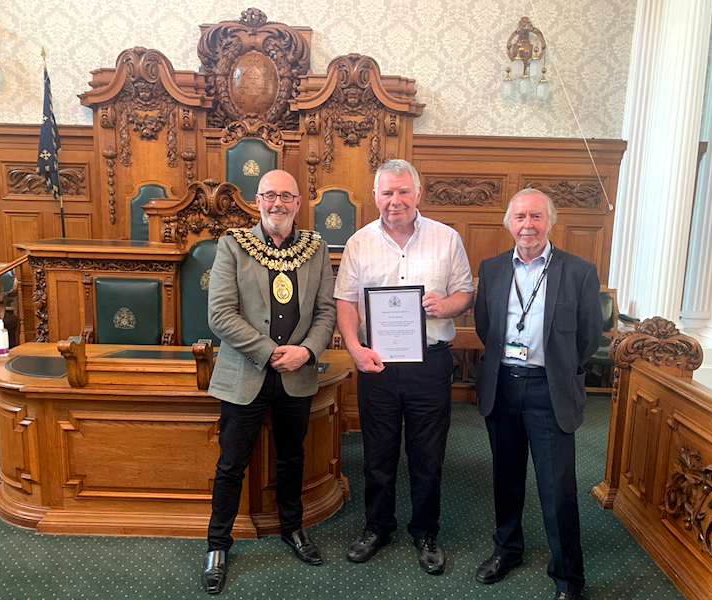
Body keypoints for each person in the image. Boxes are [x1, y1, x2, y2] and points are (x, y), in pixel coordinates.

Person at [334, 159, 474, 575]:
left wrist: (444, 304)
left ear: (418, 193)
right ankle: (377, 526)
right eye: (387, 193)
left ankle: (426, 530)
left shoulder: (447, 239)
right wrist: (355, 348)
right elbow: (345, 301)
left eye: (403, 192)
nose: (395, 201)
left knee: (428, 454)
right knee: (377, 453)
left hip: (429, 362)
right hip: (375, 364)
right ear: (375, 196)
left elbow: (465, 293)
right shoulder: (359, 242)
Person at [201, 170, 337, 595]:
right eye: (269, 196)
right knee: (231, 465)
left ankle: (293, 530)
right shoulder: (232, 245)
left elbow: (326, 312)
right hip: (246, 372)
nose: (277, 203)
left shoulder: (315, 249)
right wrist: (268, 351)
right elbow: (220, 314)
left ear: (298, 202)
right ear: (257, 201)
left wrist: (306, 351)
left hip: (297, 373)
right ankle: (217, 546)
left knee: (292, 459)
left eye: (286, 196)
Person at [473, 189, 602, 600]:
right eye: (520, 217)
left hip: (551, 390)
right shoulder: (492, 269)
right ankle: (507, 549)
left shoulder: (579, 271)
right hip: (504, 386)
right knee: (506, 478)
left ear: (550, 222)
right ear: (509, 223)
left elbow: (588, 338)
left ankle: (568, 576)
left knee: (557, 487)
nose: (527, 225)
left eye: (536, 217)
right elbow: (485, 326)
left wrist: (557, 369)